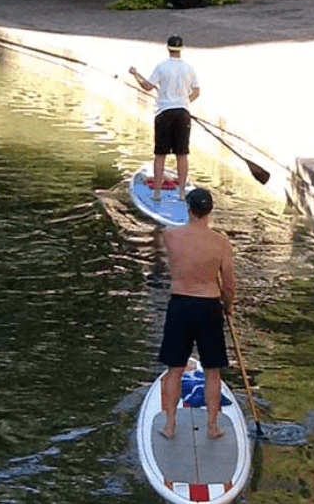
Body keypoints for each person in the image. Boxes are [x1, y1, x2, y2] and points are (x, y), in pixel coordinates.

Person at [157, 188, 235, 441]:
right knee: (212, 370)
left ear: (188, 209)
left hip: (180, 304)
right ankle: (212, 426)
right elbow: (229, 282)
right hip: (209, 306)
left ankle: (170, 424)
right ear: (210, 211)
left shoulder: (170, 236)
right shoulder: (221, 242)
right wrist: (229, 305)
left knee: (175, 369)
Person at [128, 35, 200, 200]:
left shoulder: (162, 66)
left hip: (164, 113)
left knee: (160, 154)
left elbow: (147, 86)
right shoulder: (189, 67)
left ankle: (157, 193)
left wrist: (135, 74)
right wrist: (185, 102)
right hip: (183, 113)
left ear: (168, 48)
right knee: (182, 155)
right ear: (181, 48)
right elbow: (196, 91)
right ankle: (182, 194)